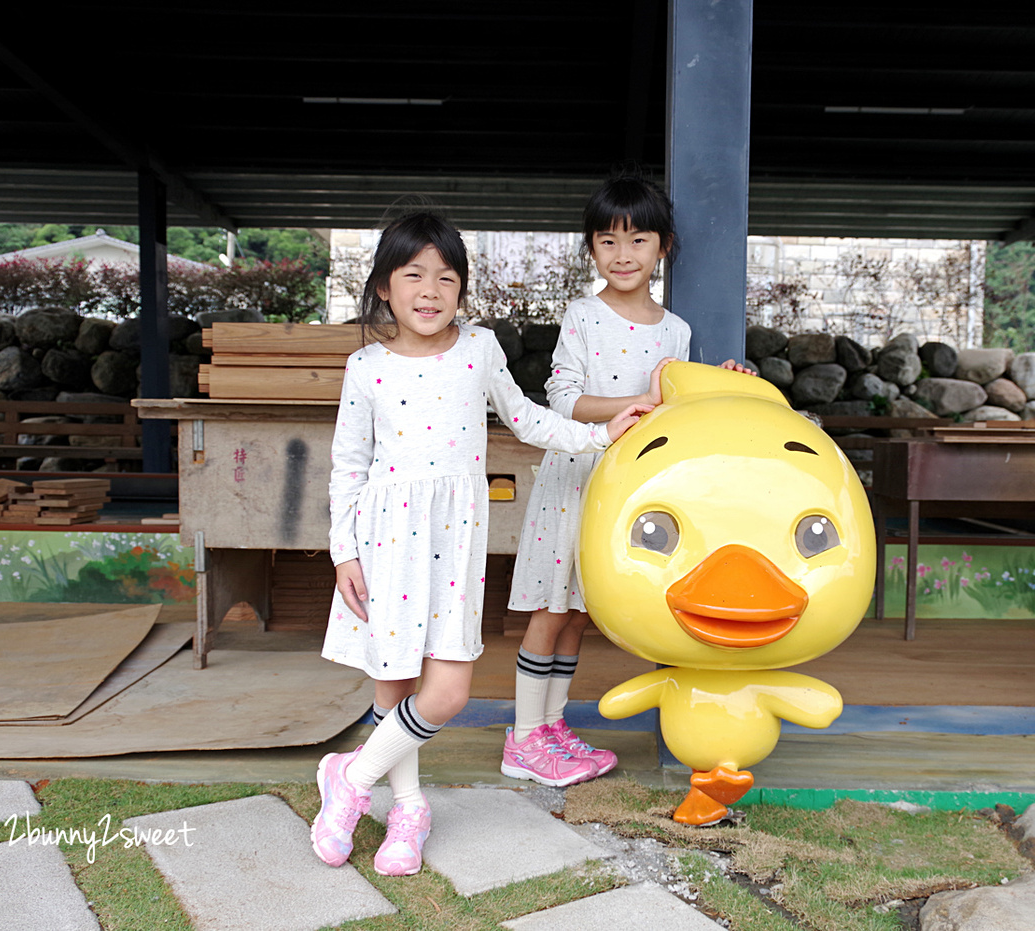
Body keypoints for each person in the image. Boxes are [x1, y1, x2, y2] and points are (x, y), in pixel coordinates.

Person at [312, 210, 650, 877]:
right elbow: (347, 465)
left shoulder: (479, 349)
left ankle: (348, 776)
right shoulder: (364, 365)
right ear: (384, 285)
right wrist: (342, 552)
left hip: (452, 542)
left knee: (445, 692)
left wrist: (601, 435)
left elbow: (525, 418)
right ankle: (406, 809)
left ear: (462, 290)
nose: (430, 289)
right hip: (383, 541)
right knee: (393, 690)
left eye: (446, 275)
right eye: (414, 274)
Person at [503, 174, 753, 787]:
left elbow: (677, 404)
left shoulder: (677, 331)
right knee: (548, 607)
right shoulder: (583, 314)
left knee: (580, 611)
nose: (623, 255)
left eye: (638, 240)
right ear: (591, 248)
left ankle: (553, 727)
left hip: (626, 489)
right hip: (577, 471)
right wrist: (632, 402)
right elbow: (562, 397)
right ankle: (523, 738)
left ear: (662, 247)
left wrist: (722, 377)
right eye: (608, 241)